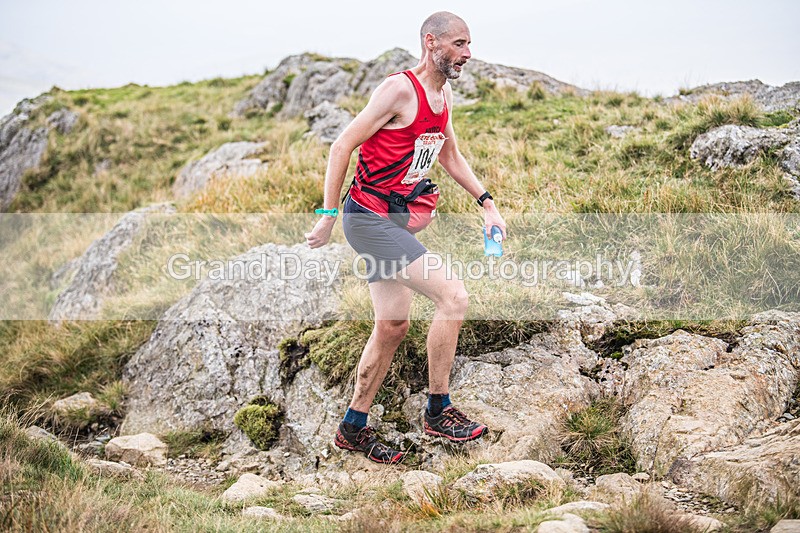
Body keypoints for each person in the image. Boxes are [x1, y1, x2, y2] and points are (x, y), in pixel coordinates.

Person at [305, 11, 506, 464]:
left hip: (396, 220)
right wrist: (327, 215)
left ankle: (353, 427)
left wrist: (487, 203)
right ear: (431, 42)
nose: (467, 54)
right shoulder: (399, 89)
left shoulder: (443, 94)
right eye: (458, 44)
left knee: (393, 326)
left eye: (469, 44)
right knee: (452, 295)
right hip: (368, 219)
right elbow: (342, 146)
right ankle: (438, 410)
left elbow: (450, 155)